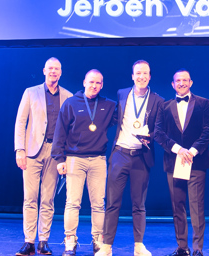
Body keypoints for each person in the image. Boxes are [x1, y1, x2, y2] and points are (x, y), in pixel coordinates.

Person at [97, 60, 166, 256]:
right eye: (138, 73)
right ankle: (107, 246)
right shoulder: (122, 94)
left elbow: (160, 129)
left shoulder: (158, 100)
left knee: (139, 205)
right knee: (112, 203)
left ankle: (138, 246)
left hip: (141, 157)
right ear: (132, 76)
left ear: (149, 76)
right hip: (120, 154)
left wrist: (149, 136)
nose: (141, 76)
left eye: (145, 73)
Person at [51, 69, 117, 256]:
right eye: (91, 82)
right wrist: (59, 158)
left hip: (98, 159)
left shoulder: (108, 105)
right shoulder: (71, 103)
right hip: (74, 159)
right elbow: (60, 132)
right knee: (73, 202)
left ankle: (98, 241)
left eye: (98, 83)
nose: (94, 86)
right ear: (84, 82)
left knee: (98, 204)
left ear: (102, 85)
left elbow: (125, 119)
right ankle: (70, 240)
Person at [14, 57, 73, 256]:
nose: (53, 71)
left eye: (57, 69)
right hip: (32, 151)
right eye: (50, 68)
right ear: (44, 71)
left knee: (48, 199)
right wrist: (19, 150)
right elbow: (20, 122)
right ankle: (29, 241)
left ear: (61, 72)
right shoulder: (31, 92)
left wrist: (66, 156)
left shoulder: (68, 96)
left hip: (55, 153)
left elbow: (70, 129)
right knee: (30, 198)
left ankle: (43, 241)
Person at [154, 70, 209, 256]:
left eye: (185, 80)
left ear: (191, 82)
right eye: (178, 80)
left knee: (197, 207)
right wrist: (178, 149)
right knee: (177, 206)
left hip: (196, 162)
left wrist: (192, 151)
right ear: (173, 84)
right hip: (174, 163)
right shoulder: (164, 106)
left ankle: (197, 249)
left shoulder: (203, 103)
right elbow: (158, 133)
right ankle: (182, 247)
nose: (181, 83)